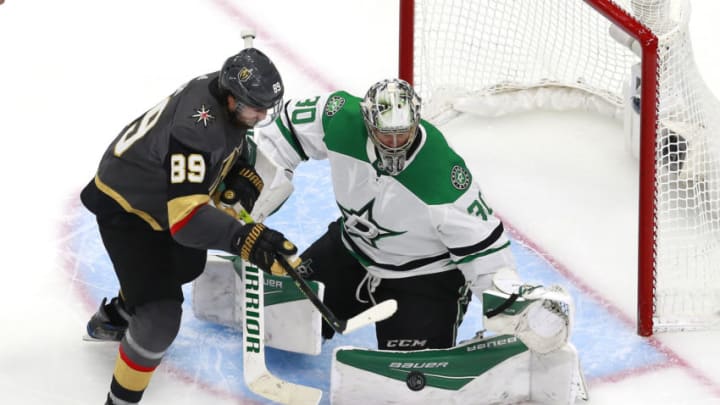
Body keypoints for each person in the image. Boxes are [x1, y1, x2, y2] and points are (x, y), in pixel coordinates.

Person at [254, 79, 573, 351]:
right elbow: (283, 131)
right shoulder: (339, 115)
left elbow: (485, 252)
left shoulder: (441, 177)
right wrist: (258, 183)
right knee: (281, 322)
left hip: (425, 279)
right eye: (386, 134)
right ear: (368, 123)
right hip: (351, 251)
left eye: (402, 133)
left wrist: (510, 305)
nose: (394, 143)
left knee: (409, 379)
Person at [80, 47, 297, 405]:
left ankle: (117, 314)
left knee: (189, 263)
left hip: (160, 193)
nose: (260, 117)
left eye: (265, 109)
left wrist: (240, 171)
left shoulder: (220, 93)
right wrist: (248, 240)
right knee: (160, 320)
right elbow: (186, 222)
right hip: (129, 206)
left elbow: (229, 142)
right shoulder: (196, 128)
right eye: (253, 108)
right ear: (230, 99)